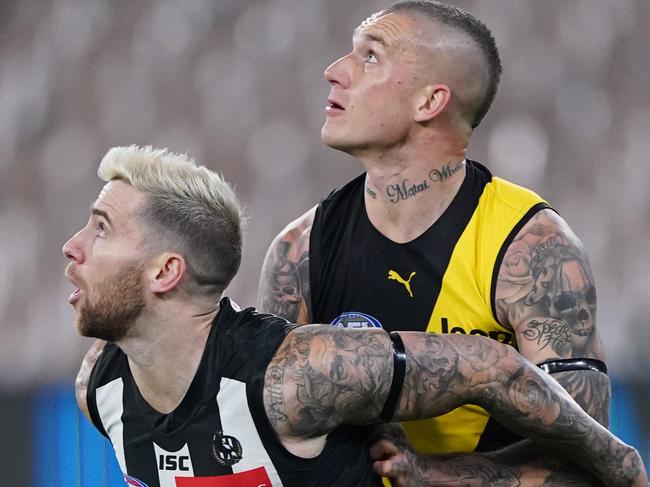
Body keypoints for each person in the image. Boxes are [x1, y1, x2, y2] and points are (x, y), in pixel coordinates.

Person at [67, 146, 646, 487]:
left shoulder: (296, 376)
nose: (73, 247)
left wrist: (618, 464)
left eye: (101, 228)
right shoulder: (99, 388)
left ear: (166, 272)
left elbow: (492, 366)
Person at [257, 1, 630, 484]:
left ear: (429, 102)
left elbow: (589, 458)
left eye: (371, 56)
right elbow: (275, 440)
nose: (333, 72)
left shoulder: (531, 250)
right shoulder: (299, 252)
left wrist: (439, 474)